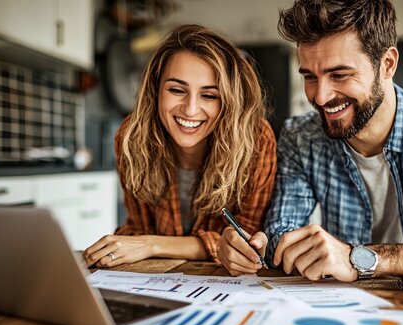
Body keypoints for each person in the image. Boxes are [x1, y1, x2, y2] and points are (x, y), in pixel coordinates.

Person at [218, 0, 403, 280]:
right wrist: (259, 247)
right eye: (310, 77)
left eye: (339, 75)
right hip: (347, 309)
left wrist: (359, 258)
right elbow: (282, 232)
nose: (320, 97)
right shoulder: (301, 136)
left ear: (387, 64)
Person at [84, 24, 276, 268]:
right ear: (155, 90)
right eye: (176, 90)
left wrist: (151, 244)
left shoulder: (256, 140)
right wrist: (139, 243)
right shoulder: (131, 137)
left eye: (209, 95)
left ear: (229, 101)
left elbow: (247, 243)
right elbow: (140, 229)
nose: (190, 109)